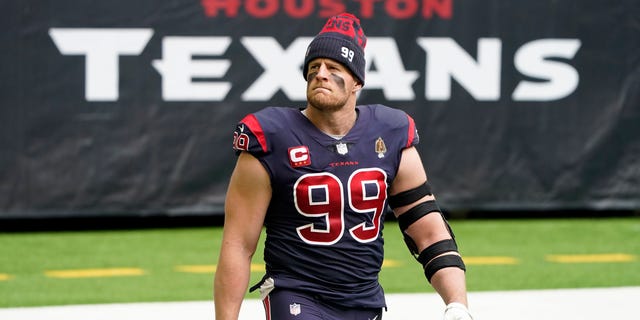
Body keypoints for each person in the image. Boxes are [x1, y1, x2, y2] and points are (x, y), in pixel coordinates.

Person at [214, 13, 473, 320]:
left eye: (333, 68)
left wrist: (458, 304)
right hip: (297, 293)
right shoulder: (272, 137)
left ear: (356, 82)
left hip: (364, 298)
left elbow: (428, 231)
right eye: (313, 68)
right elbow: (239, 244)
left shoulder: (390, 133)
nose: (320, 74)